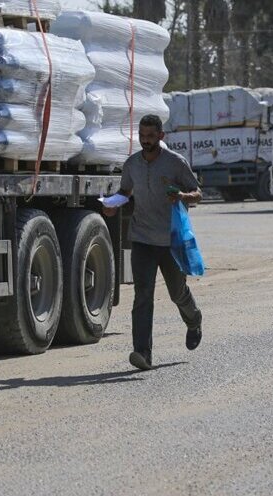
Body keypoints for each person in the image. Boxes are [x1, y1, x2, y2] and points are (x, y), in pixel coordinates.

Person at [102, 114, 204, 372]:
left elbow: (198, 193)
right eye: (142, 136)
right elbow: (125, 192)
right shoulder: (132, 164)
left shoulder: (175, 163)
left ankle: (193, 319)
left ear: (161, 136)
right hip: (142, 239)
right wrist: (113, 205)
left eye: (150, 136)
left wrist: (182, 195)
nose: (145, 141)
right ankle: (142, 353)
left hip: (170, 240)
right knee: (142, 296)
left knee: (176, 292)